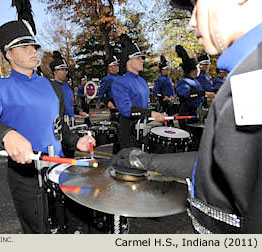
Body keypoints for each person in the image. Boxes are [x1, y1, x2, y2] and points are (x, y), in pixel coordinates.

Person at [112, 0, 262, 233]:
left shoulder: (253, 74)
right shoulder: (247, 75)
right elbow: (218, 165)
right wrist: (148, 161)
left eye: (196, 4)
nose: (192, 22)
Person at [0, 0, 95, 234]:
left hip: (62, 170)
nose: (33, 50)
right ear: (9, 54)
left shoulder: (51, 86)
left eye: (33, 46)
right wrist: (7, 134)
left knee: (71, 229)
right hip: (28, 179)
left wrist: (76, 141)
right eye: (24, 47)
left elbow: (58, 125)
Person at [111, 35, 165, 151]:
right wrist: (151, 114)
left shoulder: (142, 81)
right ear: (128, 61)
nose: (142, 60)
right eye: (138, 58)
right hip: (128, 133)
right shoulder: (119, 81)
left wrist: (155, 116)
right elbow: (126, 109)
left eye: (142, 58)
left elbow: (143, 106)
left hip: (143, 130)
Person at [49, 51, 88, 157]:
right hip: (59, 126)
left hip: (71, 125)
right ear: (54, 71)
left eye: (65, 69)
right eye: (61, 69)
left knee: (71, 154)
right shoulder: (50, 86)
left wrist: (79, 111)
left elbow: (69, 104)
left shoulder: (67, 86)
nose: (65, 72)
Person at [175, 45, 205, 130]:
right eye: (197, 68)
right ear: (193, 70)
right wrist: (202, 93)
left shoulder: (196, 81)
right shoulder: (183, 82)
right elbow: (187, 95)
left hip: (195, 114)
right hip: (186, 115)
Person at [153, 55, 176, 126]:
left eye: (168, 69)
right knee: (165, 120)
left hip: (171, 102)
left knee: (171, 119)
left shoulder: (169, 79)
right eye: (166, 69)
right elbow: (155, 92)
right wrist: (163, 96)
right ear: (162, 70)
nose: (168, 71)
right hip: (164, 103)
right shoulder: (160, 79)